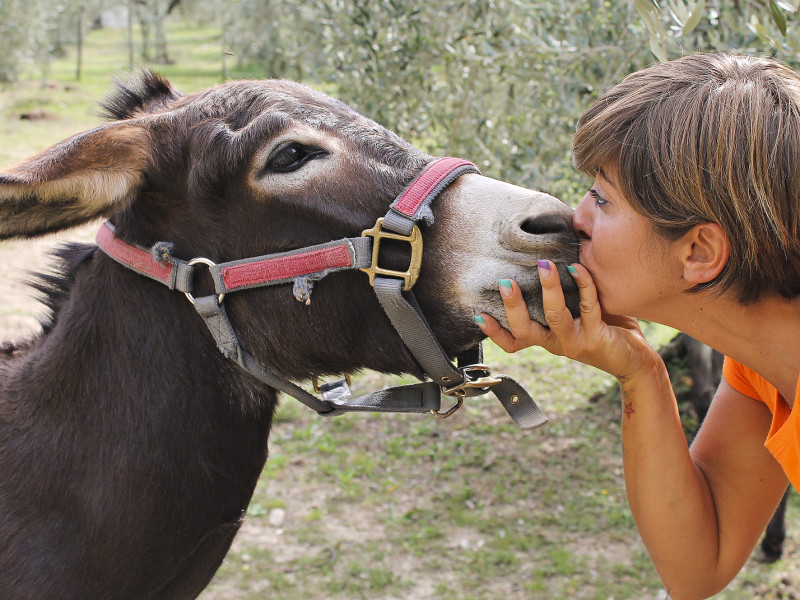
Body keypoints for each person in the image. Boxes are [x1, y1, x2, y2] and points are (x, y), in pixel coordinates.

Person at [473, 52, 800, 600]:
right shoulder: (765, 368)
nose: (578, 216)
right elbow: (698, 566)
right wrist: (638, 371)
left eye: (603, 198)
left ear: (698, 251)